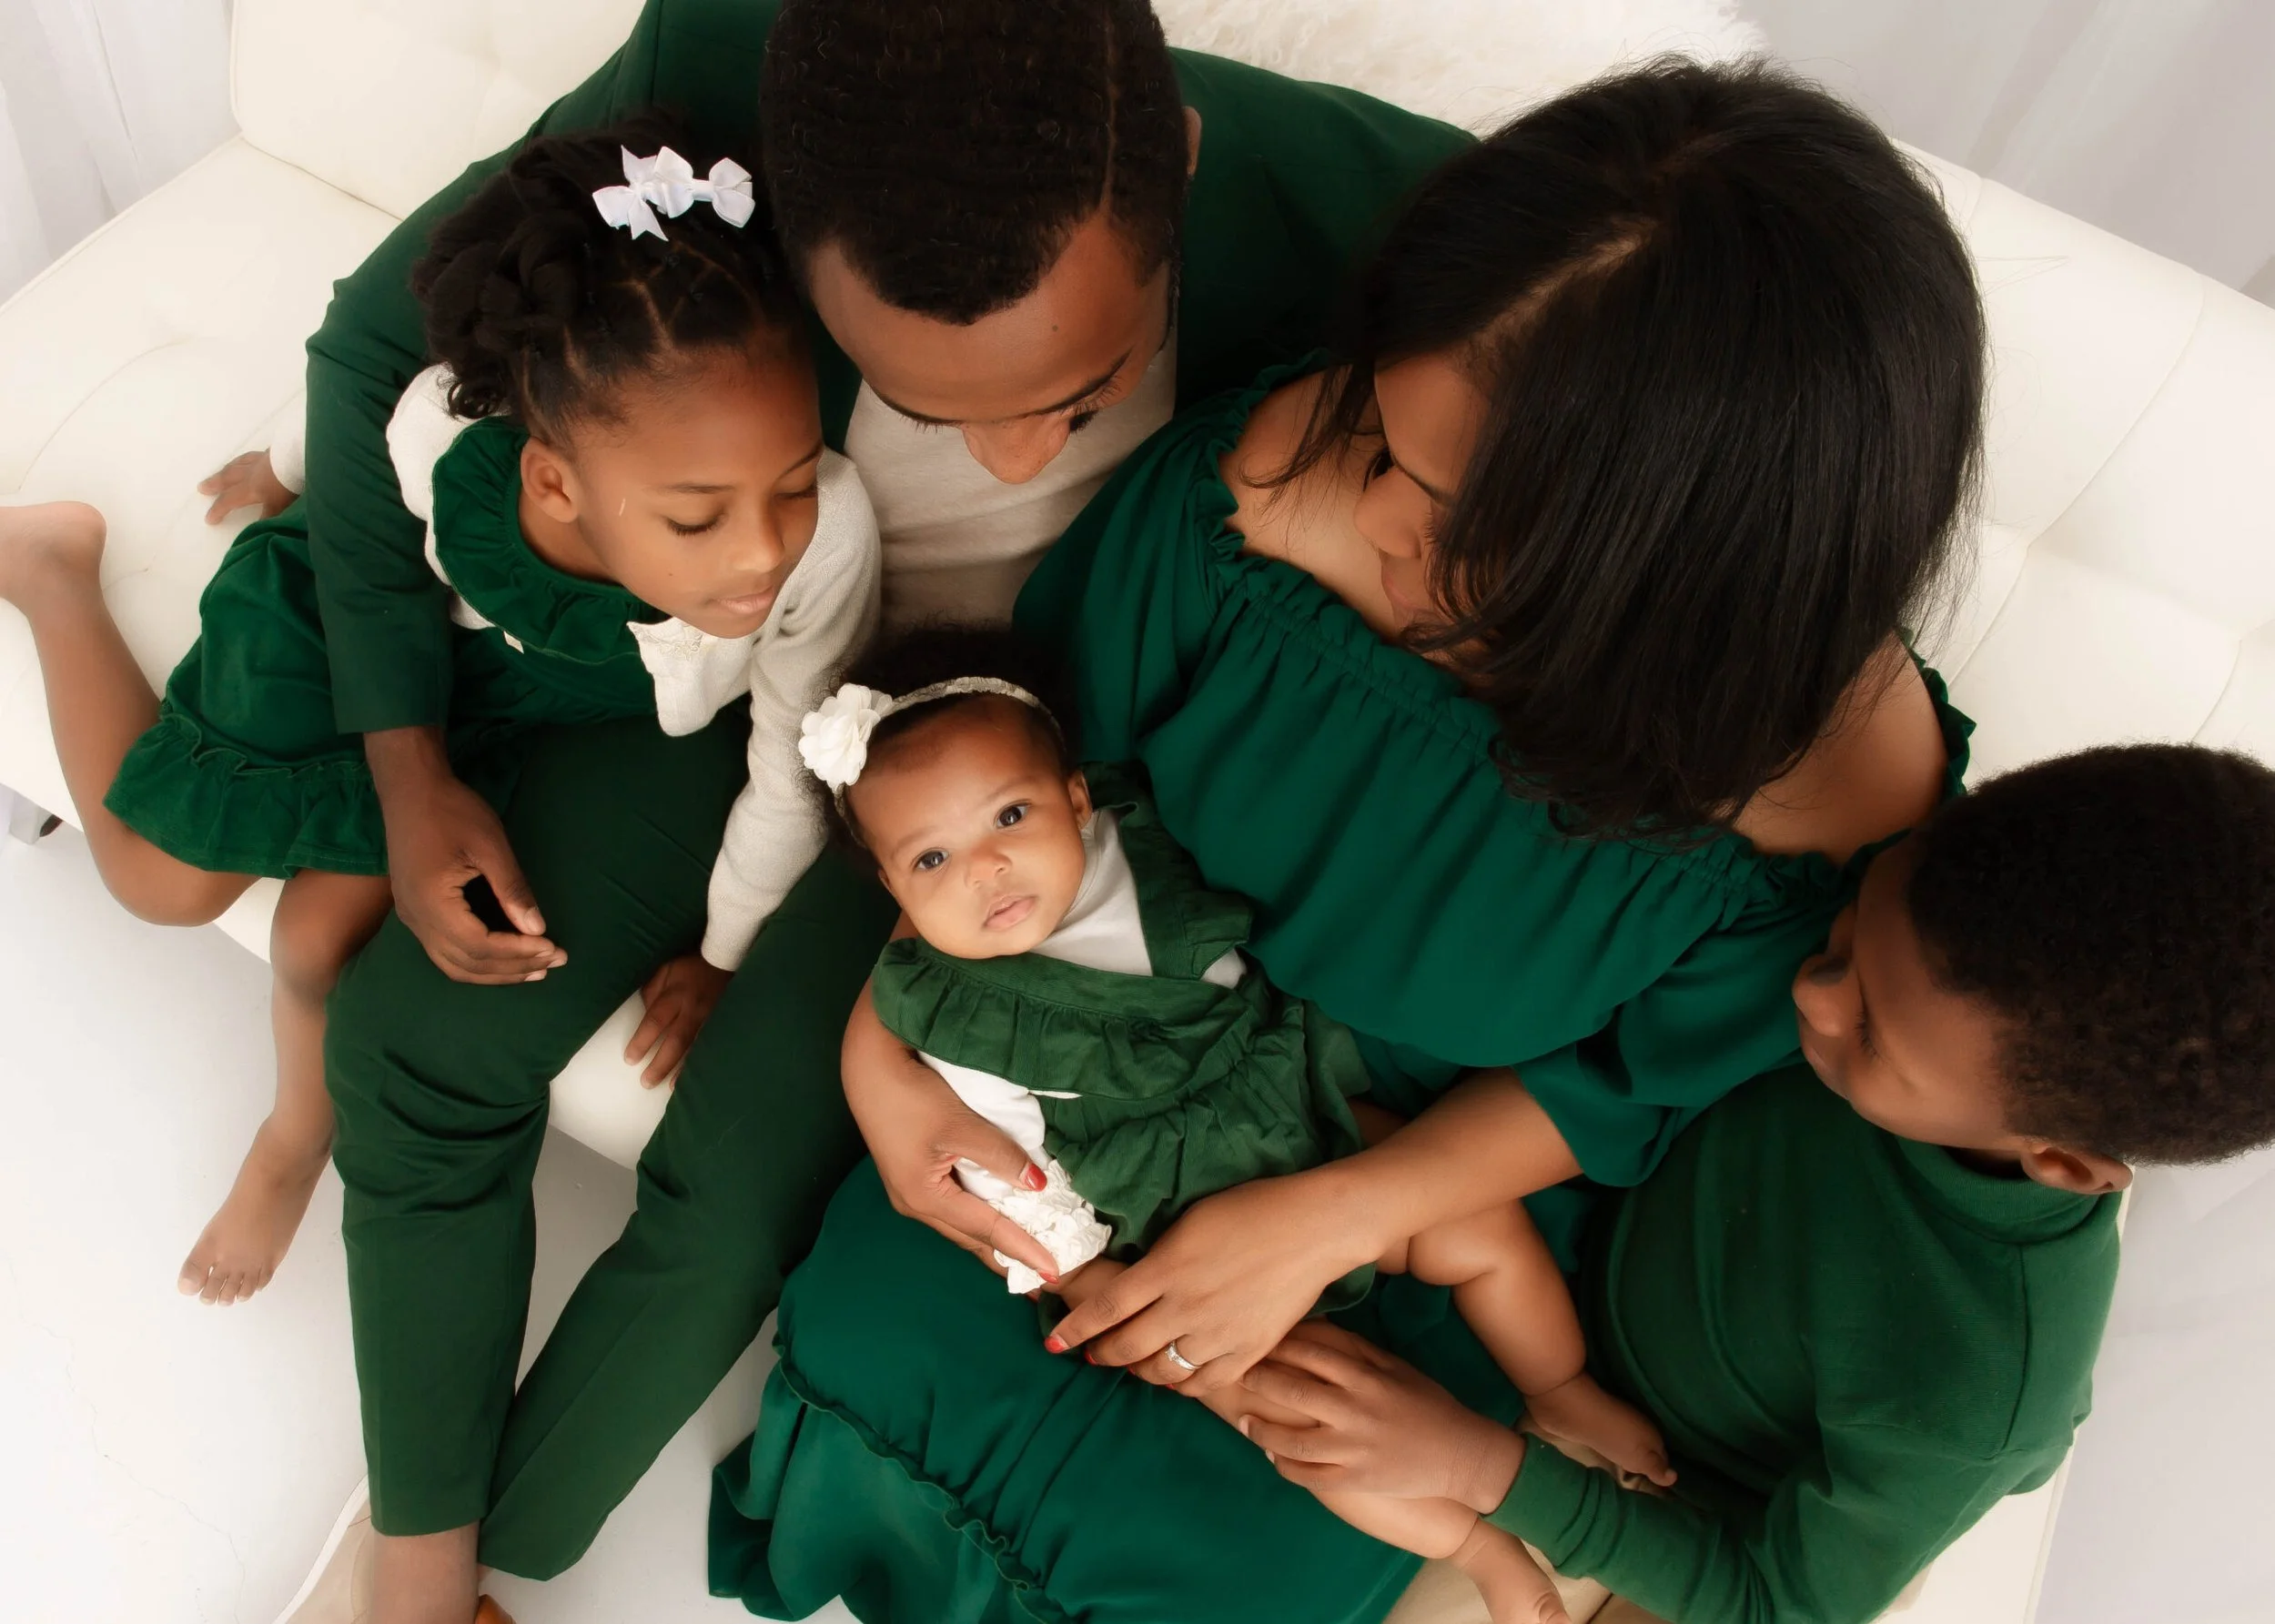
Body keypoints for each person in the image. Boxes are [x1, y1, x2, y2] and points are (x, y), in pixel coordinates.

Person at [709, 58, 1988, 1624]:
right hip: (1115, 1057)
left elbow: (1623, 1082)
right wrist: (887, 1075)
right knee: (880, 1336)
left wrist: (1330, 1221)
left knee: (1230, 1541)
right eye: (1389, 440)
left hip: (1418, 1180)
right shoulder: (1270, 498)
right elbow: (1027, 812)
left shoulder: (1829, 784)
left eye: (1455, 510)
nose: (1379, 518)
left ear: (1671, 571)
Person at [288, 2, 1471, 1618]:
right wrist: (406, 768)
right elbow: (376, 352)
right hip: (730, 671)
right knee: (412, 1038)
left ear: (1179, 166)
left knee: (738, 1176)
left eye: (1072, 387)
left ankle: (500, 1550)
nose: (997, 446)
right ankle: (415, 1577)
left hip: (982, 780)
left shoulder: (1396, 219)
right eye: (922, 393)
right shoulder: (723, 67)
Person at [0, 116, 874, 1311]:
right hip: (361, 624)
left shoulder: (827, 543)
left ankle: (292, 1134)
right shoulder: (449, 437)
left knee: (320, 937)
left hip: (499, 716)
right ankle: (52, 572)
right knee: (159, 879)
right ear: (553, 480)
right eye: (696, 519)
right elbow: (370, 433)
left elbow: (787, 766)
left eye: (789, 485)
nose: (764, 550)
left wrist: (726, 952)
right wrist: (289, 469)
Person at [1231, 741, 2275, 1623]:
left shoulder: (1973, 1394)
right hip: (1568, 1263)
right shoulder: (1947, 921)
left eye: (1870, 1036)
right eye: (1846, 941)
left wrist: (1485, 1473)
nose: (1814, 1001)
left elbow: (1773, 1602)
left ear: (2057, 1162)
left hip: (1682, 1504)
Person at [804, 625, 1673, 1623]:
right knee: (1298, 1419)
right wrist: (1104, 1290)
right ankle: (1483, 1551)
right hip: (1166, 1229)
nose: (988, 868)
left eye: (1010, 814)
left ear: (1077, 798)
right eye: (932, 856)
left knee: (1481, 1226)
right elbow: (1012, 1177)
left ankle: (1559, 1390)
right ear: (895, 892)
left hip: (1302, 1118)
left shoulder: (1139, 837)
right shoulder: (951, 1015)